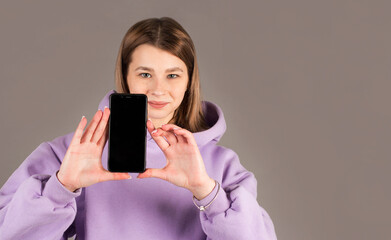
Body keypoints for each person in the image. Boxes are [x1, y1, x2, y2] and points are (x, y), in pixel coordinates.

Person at [0, 17, 277, 240]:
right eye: (145, 74)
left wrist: (207, 193)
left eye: (173, 75)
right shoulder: (71, 154)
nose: (158, 89)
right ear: (125, 76)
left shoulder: (223, 166)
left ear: (189, 81)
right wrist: (61, 187)